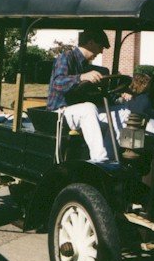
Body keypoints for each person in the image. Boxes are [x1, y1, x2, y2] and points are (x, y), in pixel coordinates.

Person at [47, 28, 129, 162]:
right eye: (100, 46)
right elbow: (58, 83)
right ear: (91, 43)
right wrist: (81, 77)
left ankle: (112, 160)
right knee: (88, 108)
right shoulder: (66, 57)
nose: (101, 51)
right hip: (60, 112)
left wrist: (120, 95)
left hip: (77, 113)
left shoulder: (85, 65)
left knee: (122, 112)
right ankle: (100, 160)